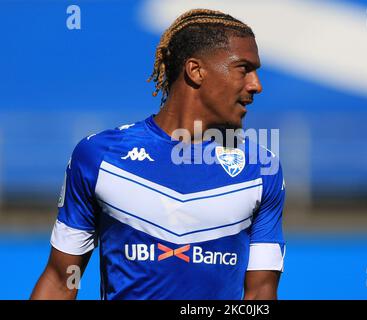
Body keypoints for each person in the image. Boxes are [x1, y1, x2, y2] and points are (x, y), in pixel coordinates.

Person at [31, 8, 286, 300]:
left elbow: (261, 295)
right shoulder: (99, 156)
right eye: (244, 68)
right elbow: (60, 282)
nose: (257, 85)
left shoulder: (260, 168)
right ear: (196, 71)